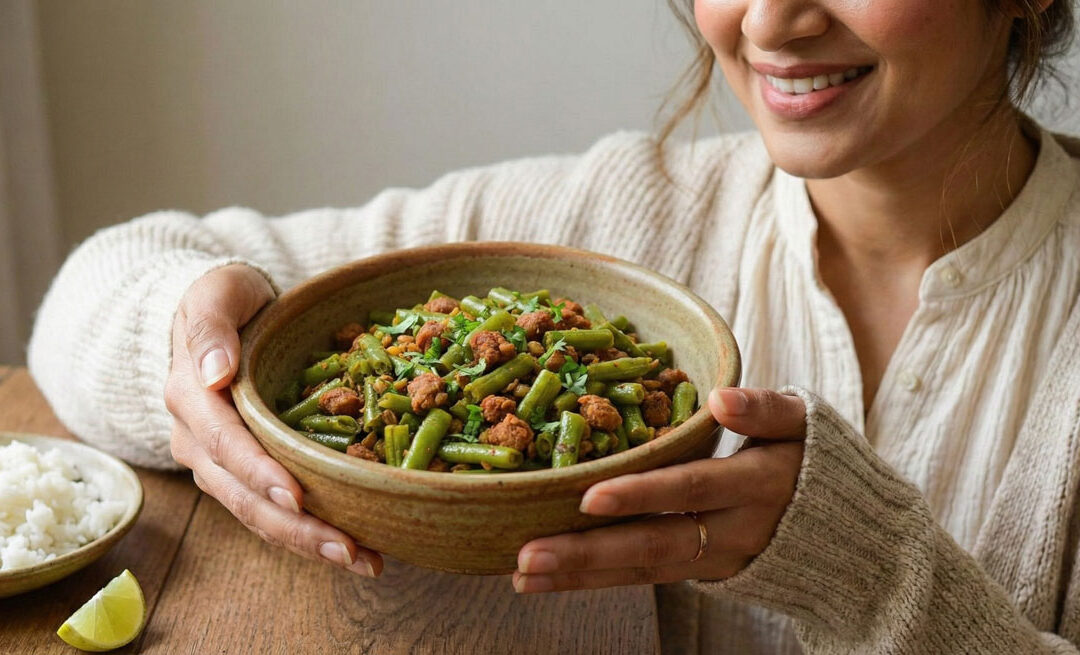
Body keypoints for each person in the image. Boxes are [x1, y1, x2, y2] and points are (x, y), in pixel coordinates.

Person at [28, 0, 1080, 652]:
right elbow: (99, 284)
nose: (770, 18)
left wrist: (856, 564)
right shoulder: (620, 219)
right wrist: (192, 348)